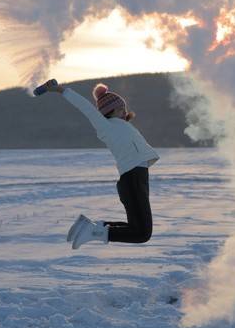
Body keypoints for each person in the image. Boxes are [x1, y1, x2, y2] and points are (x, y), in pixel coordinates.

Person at [43, 80, 159, 249]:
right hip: (133, 178)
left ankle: (91, 226)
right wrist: (62, 90)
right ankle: (93, 231)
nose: (124, 112)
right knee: (142, 234)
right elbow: (86, 108)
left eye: (124, 108)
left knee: (138, 229)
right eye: (121, 108)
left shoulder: (123, 126)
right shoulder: (106, 126)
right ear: (110, 111)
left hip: (136, 178)